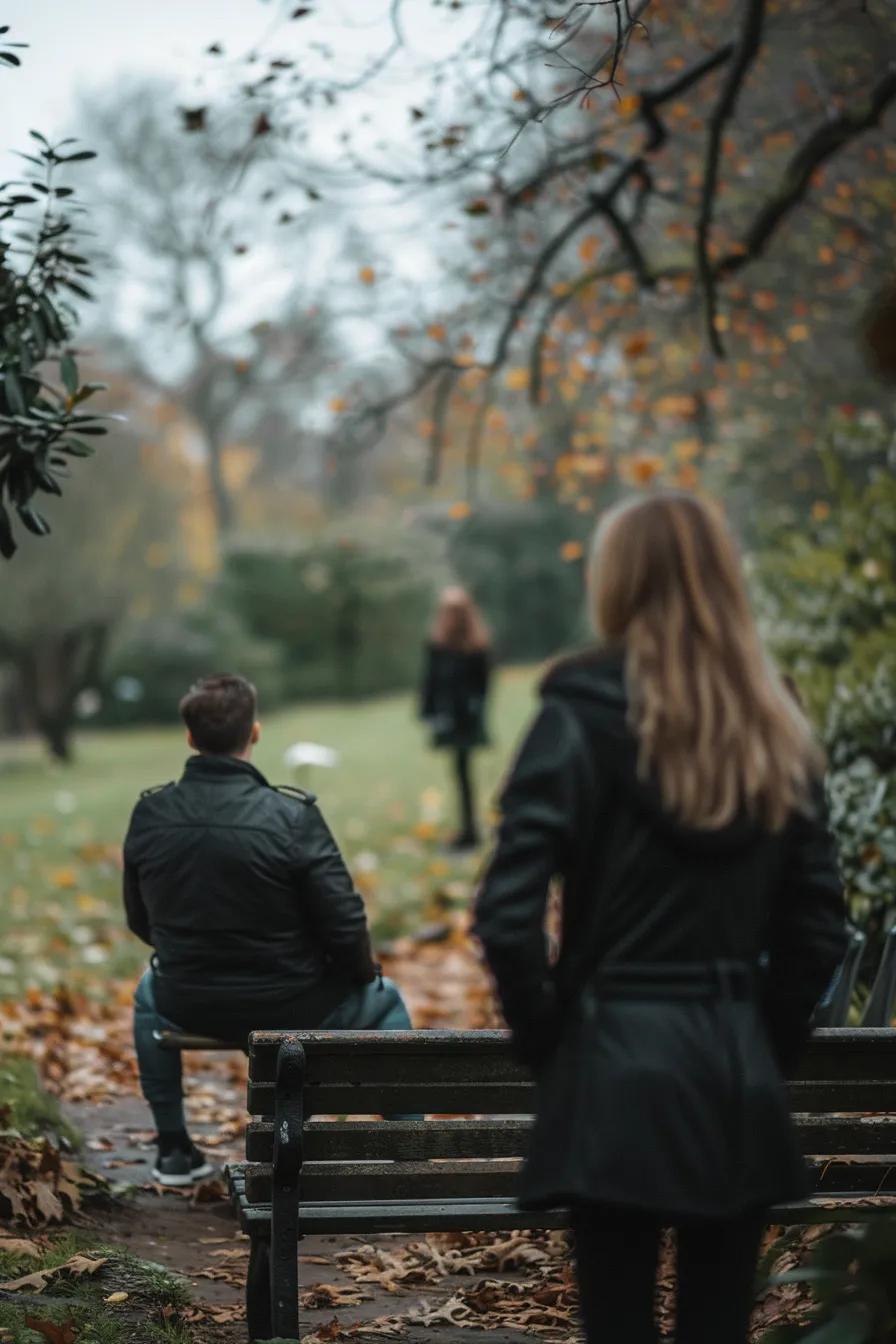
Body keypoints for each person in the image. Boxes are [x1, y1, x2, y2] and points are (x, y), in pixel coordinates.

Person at [474, 492, 847, 1344]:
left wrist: (553, 1045)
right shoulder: (776, 723)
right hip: (731, 1063)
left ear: (619, 582)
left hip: (610, 1064)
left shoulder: (574, 717)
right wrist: (760, 1043)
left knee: (618, 1325)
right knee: (720, 1326)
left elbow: (507, 912)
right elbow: (819, 926)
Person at [124, 674, 412, 1187]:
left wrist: (193, 958)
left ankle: (173, 1150)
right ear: (253, 733)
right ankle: (411, 1152)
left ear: (190, 738)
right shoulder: (292, 816)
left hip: (191, 998)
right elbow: (345, 923)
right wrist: (356, 976)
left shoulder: (151, 812)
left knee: (148, 996)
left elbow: (139, 919)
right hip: (295, 999)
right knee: (386, 1001)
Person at [420, 586, 492, 849]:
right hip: (447, 719)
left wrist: (473, 712)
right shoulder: (438, 647)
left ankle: (470, 830)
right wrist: (428, 713)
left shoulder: (475, 649)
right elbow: (430, 682)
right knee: (459, 773)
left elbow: (483, 688)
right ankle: (468, 827)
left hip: (466, 722)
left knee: (463, 773)